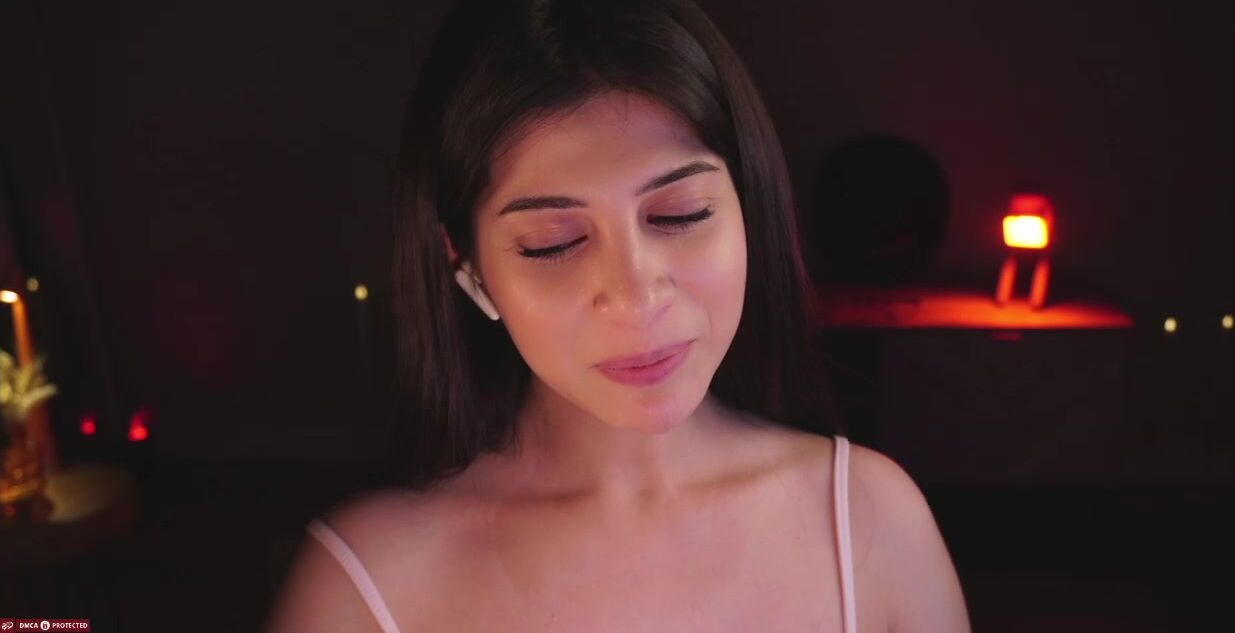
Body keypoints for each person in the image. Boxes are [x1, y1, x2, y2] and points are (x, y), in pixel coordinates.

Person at [266, 0, 970, 630]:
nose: (635, 296)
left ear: (747, 206)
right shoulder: (368, 586)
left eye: (680, 214)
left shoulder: (869, 521)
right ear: (470, 269)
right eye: (554, 244)